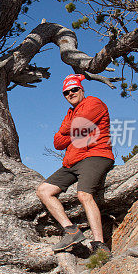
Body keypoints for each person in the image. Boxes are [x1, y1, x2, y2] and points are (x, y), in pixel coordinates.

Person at [36, 74, 114, 254]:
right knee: (44, 191)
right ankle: (71, 230)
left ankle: (99, 245)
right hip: (72, 161)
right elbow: (57, 142)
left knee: (84, 194)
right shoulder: (70, 112)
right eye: (66, 92)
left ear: (81, 89)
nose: (70, 93)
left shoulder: (94, 103)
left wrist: (68, 130)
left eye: (74, 89)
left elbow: (71, 128)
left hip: (95, 155)